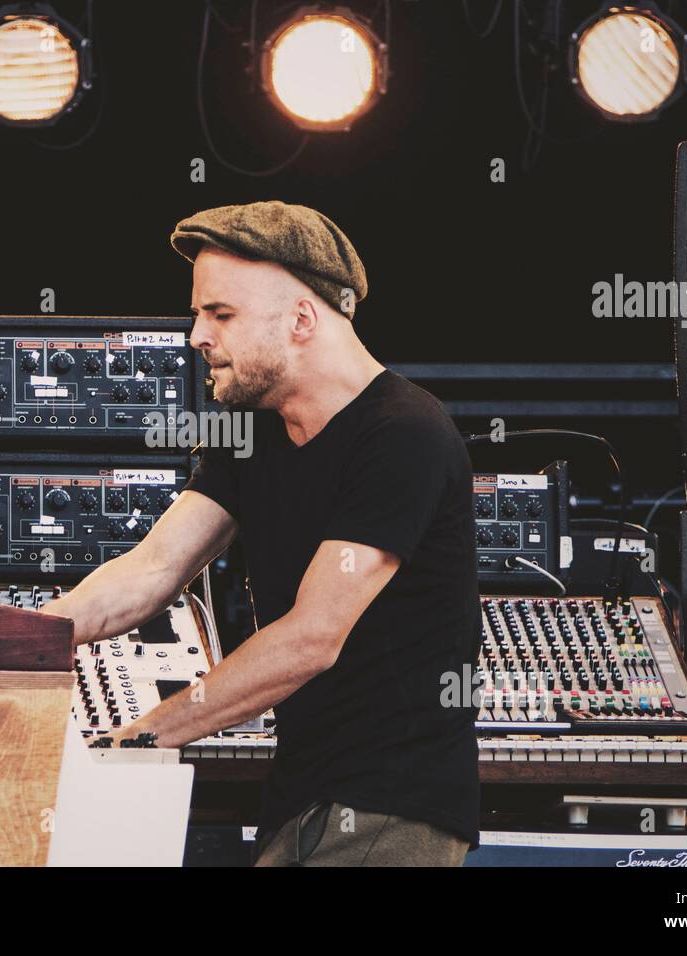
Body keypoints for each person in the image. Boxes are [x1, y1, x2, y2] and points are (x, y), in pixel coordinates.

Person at [40, 200, 480, 866]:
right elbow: (155, 568)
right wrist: (17, 639)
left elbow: (312, 637)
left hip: (392, 807)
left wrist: (141, 739)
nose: (197, 336)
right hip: (299, 797)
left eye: (220, 315)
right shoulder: (250, 432)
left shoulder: (403, 435)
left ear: (301, 320)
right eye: (198, 314)